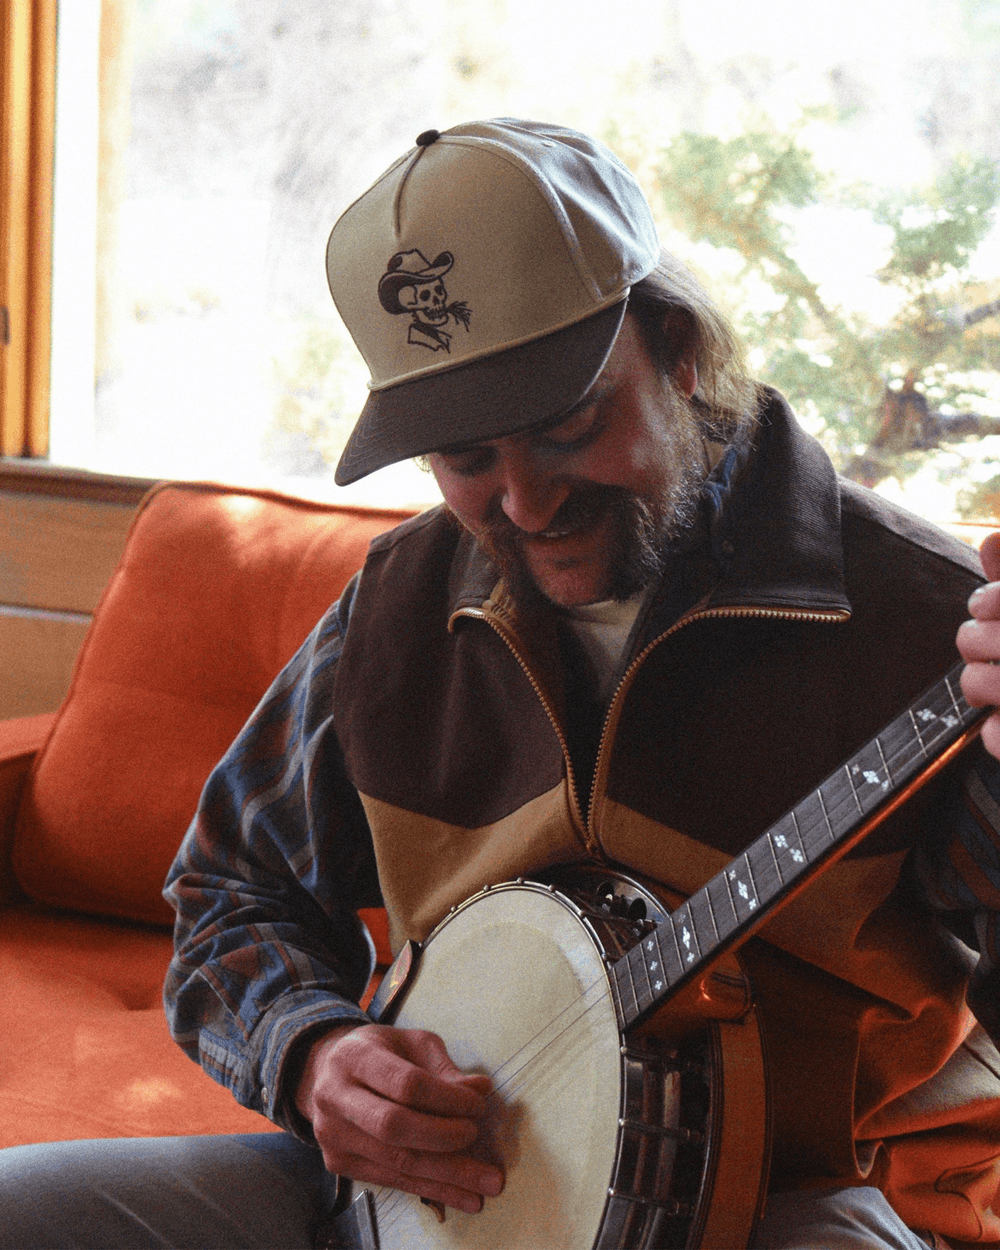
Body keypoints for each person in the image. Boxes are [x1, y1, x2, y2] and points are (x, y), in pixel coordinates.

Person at [4, 118, 1000, 1250]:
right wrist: (315, 1051)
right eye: (466, 457)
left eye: (571, 426)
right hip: (420, 1203)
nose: (524, 506)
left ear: (678, 350)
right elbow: (232, 891)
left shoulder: (927, 623)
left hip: (787, 1203)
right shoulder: (395, 605)